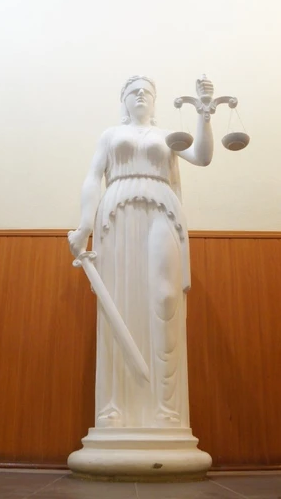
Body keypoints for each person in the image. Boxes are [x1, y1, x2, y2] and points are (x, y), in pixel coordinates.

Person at [68, 75, 214, 429]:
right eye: (133, 92)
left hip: (163, 209)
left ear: (154, 100)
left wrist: (204, 113)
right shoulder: (110, 135)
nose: (139, 96)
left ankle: (166, 408)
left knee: (165, 298)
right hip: (116, 212)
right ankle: (113, 407)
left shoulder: (167, 135)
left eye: (146, 92)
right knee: (118, 302)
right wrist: (84, 226)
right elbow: (93, 177)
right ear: (124, 100)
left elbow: (202, 156)